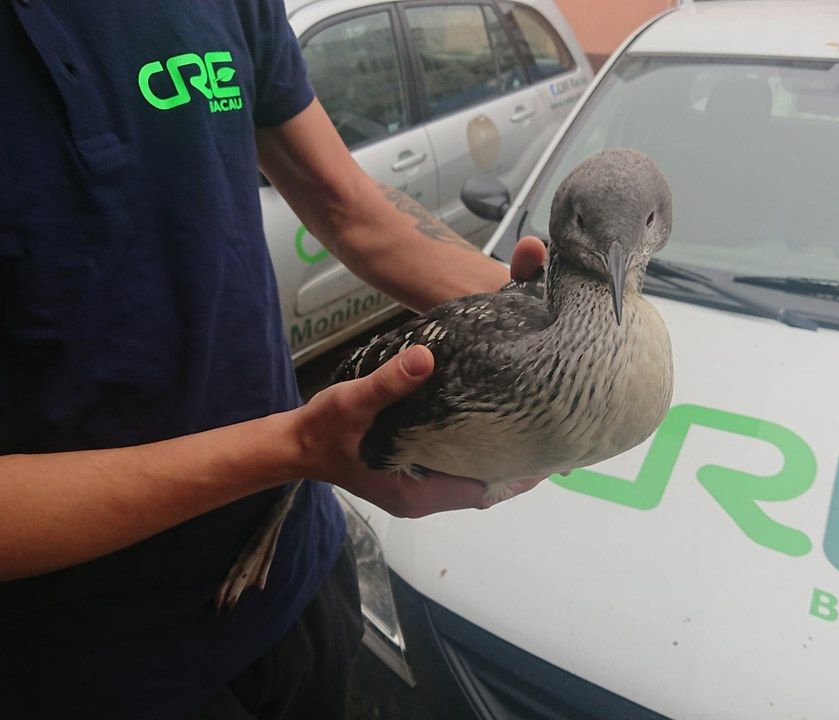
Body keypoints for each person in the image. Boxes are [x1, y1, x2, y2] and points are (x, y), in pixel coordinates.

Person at [0, 1, 546, 718]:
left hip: (295, 581)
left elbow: (345, 202)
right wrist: (294, 447)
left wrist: (537, 317)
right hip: (81, 671)